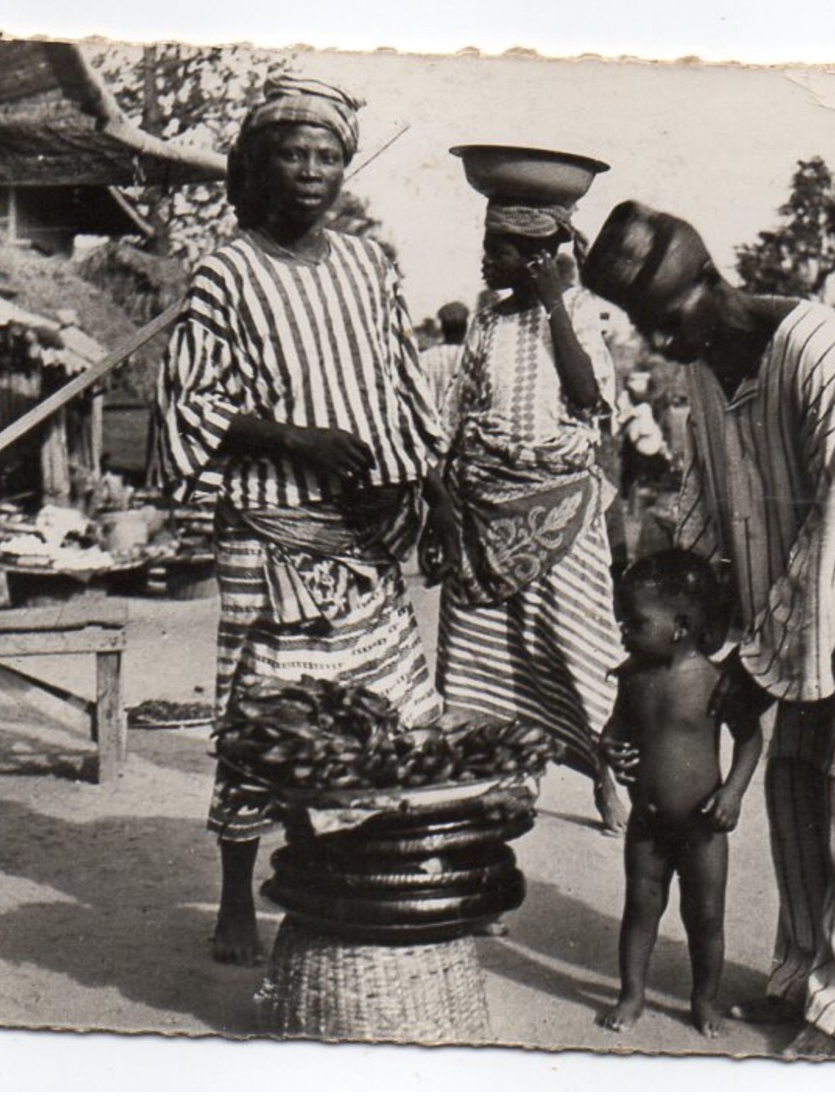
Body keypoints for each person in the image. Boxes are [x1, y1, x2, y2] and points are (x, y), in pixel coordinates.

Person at [583, 201, 835, 1057]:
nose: (661, 344)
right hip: (792, 617)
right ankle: (801, 977)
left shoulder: (820, 347)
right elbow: (701, 506)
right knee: (795, 791)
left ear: (710, 282)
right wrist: (673, 613)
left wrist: (759, 657)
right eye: (646, 330)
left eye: (666, 321)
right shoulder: (702, 371)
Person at [150, 76, 446, 965]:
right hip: (268, 528)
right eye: (293, 152)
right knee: (265, 711)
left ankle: (355, 874)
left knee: (387, 701)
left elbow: (401, 382)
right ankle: (238, 898)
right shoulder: (227, 268)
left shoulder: (367, 263)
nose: (312, 170)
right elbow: (191, 399)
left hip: (357, 527)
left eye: (327, 155)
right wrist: (294, 439)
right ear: (258, 164)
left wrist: (404, 482)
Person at [424, 159, 628, 833]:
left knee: (572, 644)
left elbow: (586, 396)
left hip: (560, 510)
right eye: (486, 245)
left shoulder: (575, 314)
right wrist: (445, 505)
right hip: (484, 509)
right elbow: (459, 414)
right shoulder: (484, 322)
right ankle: (505, 774)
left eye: (501, 249)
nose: (487, 260)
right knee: (489, 654)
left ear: (540, 255)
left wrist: (551, 304)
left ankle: (605, 769)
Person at [597, 549, 761, 1037]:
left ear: (681, 625)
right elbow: (615, 727)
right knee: (640, 907)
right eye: (622, 618)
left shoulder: (713, 683)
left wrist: (732, 793)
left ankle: (704, 1000)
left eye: (634, 621)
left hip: (701, 826)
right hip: (647, 824)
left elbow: (751, 739)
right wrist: (610, 748)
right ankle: (631, 994)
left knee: (705, 916)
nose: (623, 629)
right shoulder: (633, 677)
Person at [419, 301, 470, 420]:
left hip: (434, 421)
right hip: (464, 423)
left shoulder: (426, 357)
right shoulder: (473, 356)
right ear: (465, 327)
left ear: (442, 327)